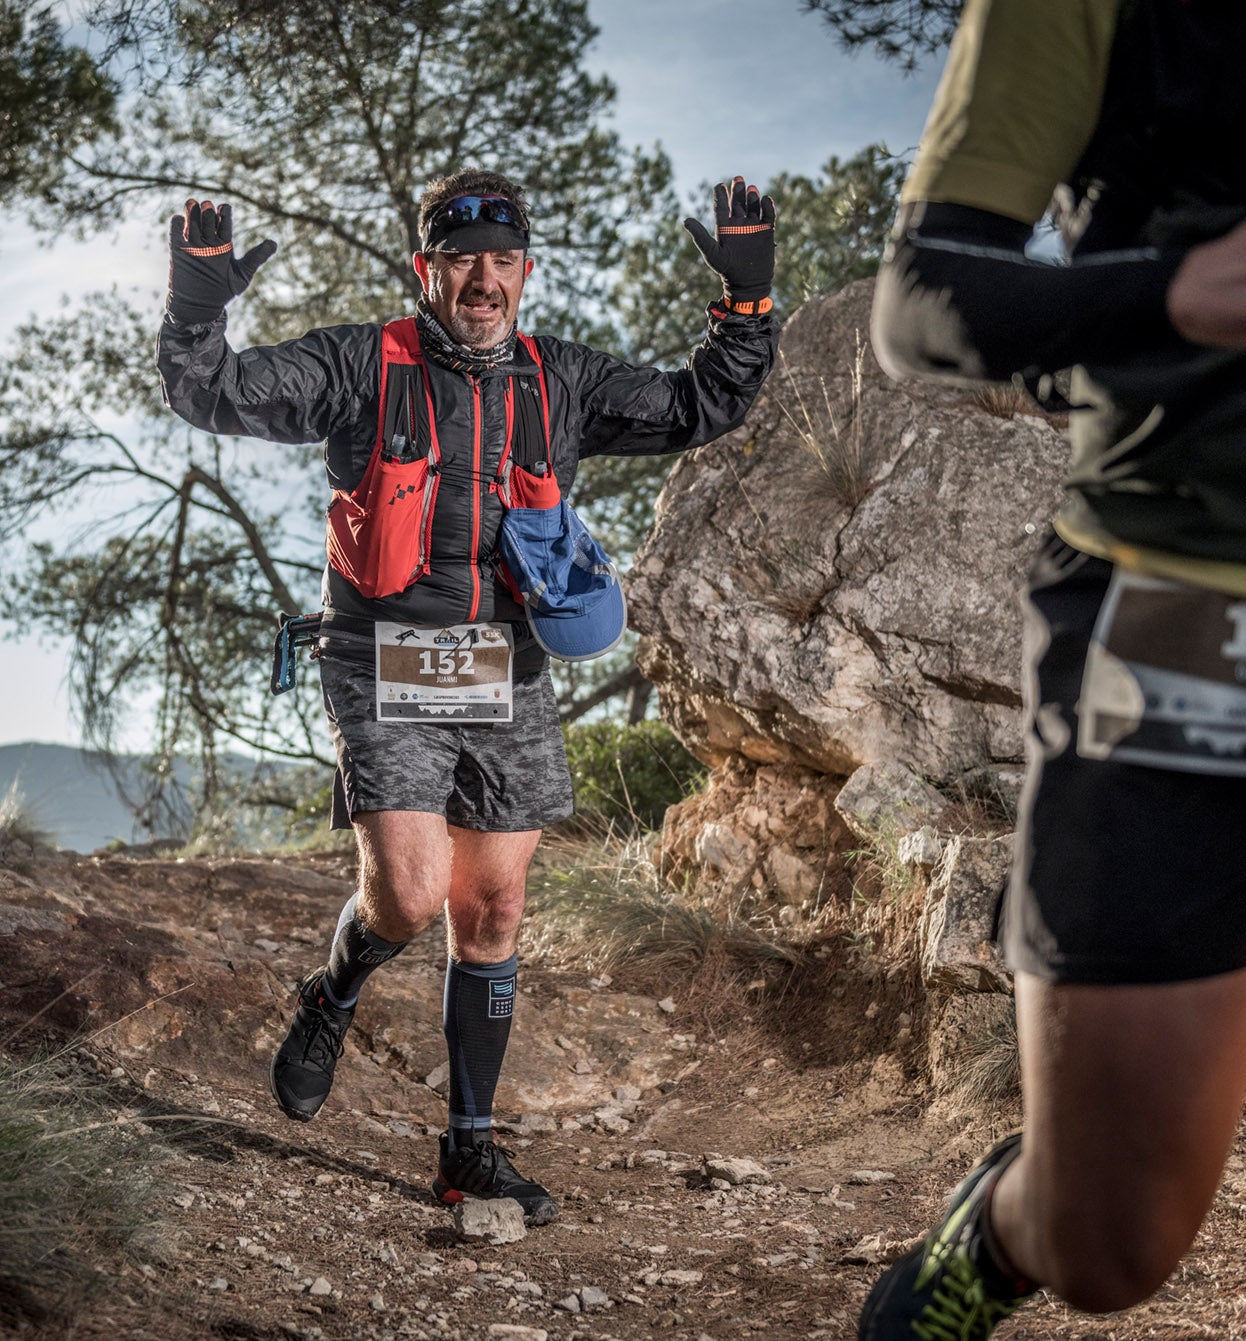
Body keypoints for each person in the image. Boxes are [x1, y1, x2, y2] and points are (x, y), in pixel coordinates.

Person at [857, 2, 1246, 1341]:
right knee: (1112, 1240)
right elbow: (925, 299)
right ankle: (1004, 1230)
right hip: (1186, 599)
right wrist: (1170, 289)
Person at [157, 170, 779, 1221]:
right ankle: (334, 991)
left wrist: (748, 308)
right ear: (427, 269)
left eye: (501, 260)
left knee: (489, 908)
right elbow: (210, 392)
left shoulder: (560, 379)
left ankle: (468, 1153)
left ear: (524, 272)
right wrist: (195, 310)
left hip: (507, 665)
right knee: (408, 894)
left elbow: (700, 403)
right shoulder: (361, 363)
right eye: (460, 260)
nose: (481, 280)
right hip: (380, 655)